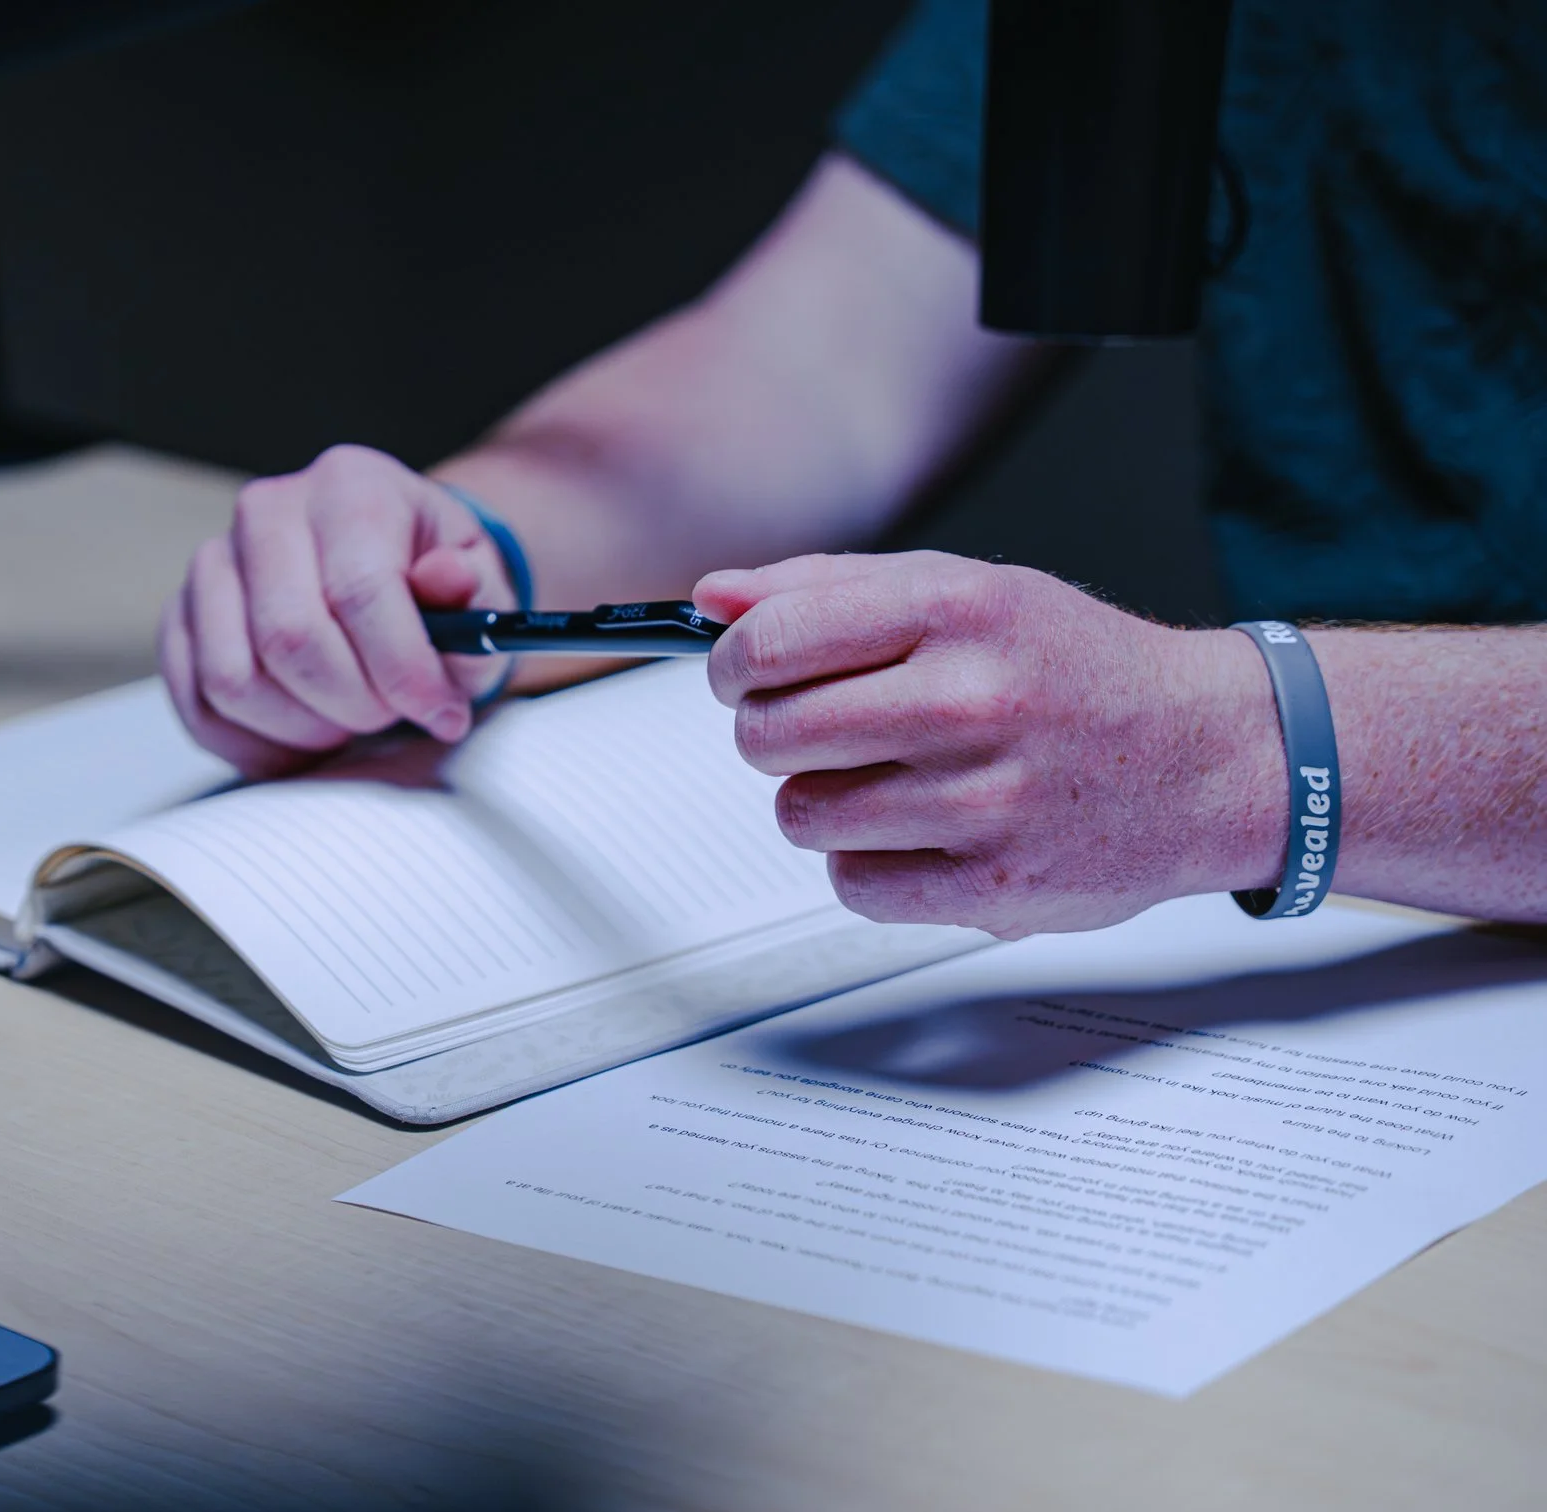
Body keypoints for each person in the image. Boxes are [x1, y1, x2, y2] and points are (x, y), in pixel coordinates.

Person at [156, 0, 1547, 938]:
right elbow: (818, 369)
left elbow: (1228, 756)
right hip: (1337, 963)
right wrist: (446, 553)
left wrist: (1242, 751)